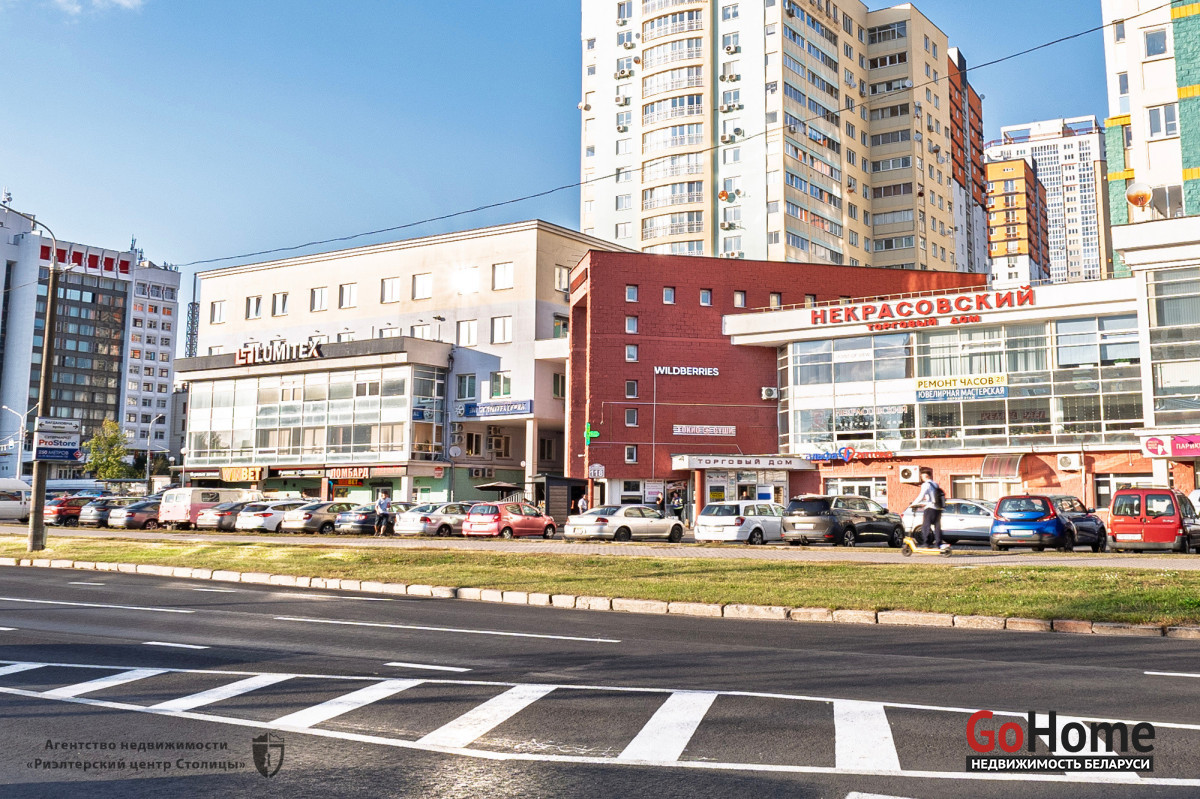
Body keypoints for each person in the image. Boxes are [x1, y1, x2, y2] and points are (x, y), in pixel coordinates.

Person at [910, 468, 946, 550]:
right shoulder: (935, 484)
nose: (921, 478)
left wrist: (913, 504)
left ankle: (926, 543)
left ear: (925, 476)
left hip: (930, 508)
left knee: (925, 526)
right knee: (937, 527)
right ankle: (938, 544)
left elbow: (921, 495)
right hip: (938, 508)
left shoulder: (926, 485)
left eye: (922, 476)